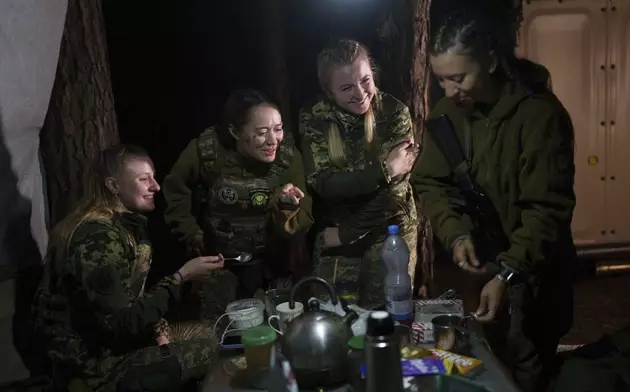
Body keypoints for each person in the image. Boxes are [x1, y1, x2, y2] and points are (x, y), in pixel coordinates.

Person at [412, 5, 576, 391]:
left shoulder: (540, 118)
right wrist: (456, 234)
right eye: (440, 80)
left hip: (534, 279)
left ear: (489, 60)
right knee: (488, 360)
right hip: (486, 270)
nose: (449, 91)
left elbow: (547, 211)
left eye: (457, 77)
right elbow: (431, 181)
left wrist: (508, 273)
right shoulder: (448, 112)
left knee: (527, 371)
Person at [31, 144, 223, 391]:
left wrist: (159, 333)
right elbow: (121, 325)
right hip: (95, 368)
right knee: (215, 351)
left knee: (220, 331)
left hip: (120, 346)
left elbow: (131, 298)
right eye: (144, 179)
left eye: (153, 177)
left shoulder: (127, 225)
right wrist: (181, 277)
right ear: (113, 186)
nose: (156, 186)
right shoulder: (97, 240)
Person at [163, 88, 312, 319]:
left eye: (278, 129)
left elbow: (301, 223)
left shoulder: (288, 160)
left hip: (274, 264)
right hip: (221, 263)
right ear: (234, 131)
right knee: (219, 332)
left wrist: (287, 208)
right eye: (262, 132)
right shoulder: (207, 153)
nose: (273, 141)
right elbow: (175, 190)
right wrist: (191, 233)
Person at [298, 39, 420, 308]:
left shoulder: (394, 113)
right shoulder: (314, 116)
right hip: (336, 232)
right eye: (346, 87)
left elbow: (394, 194)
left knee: (386, 315)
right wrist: (385, 169)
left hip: (389, 232)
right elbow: (323, 183)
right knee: (332, 313)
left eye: (365, 79)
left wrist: (348, 232)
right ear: (329, 92)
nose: (361, 93)